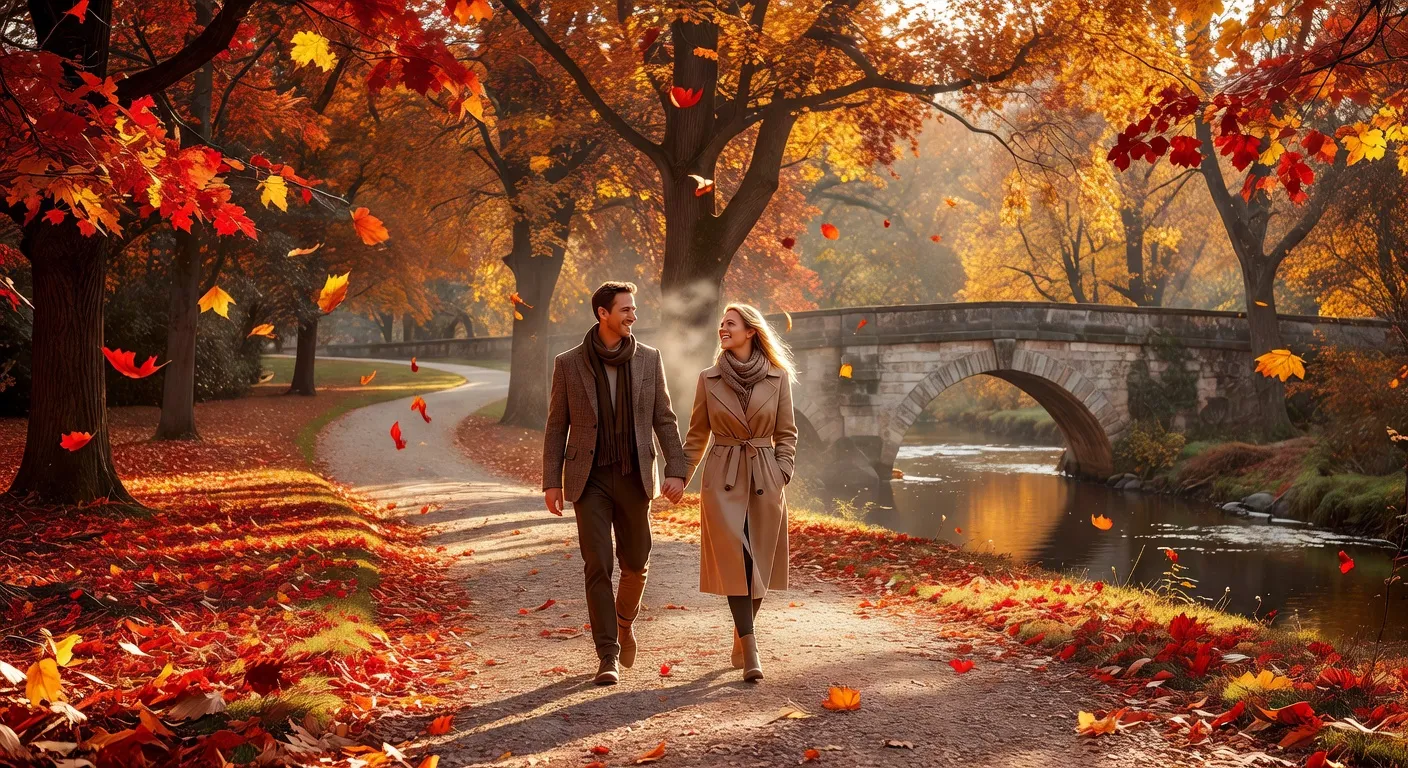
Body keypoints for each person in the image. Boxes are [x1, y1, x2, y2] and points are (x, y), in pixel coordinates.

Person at [543, 281, 687, 686]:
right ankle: (607, 654)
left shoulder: (649, 359)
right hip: (588, 478)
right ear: (603, 313)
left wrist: (677, 469)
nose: (633, 316)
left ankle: (624, 624)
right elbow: (557, 425)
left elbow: (664, 418)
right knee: (597, 565)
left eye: (634, 309)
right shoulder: (569, 363)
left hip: (634, 474)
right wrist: (551, 481)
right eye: (626, 309)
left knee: (636, 562)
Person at [682, 303, 798, 682]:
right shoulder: (709, 378)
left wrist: (782, 471)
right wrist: (679, 476)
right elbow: (697, 435)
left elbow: (787, 433)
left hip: (765, 475)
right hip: (723, 476)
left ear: (750, 331)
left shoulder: (778, 378)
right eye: (721, 324)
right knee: (737, 558)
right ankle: (751, 649)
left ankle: (741, 635)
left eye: (730, 324)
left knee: (759, 561)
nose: (722, 329)